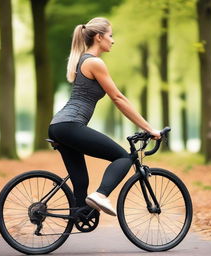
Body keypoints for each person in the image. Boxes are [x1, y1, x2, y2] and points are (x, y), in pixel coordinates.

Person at [48, 17, 161, 217]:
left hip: (60, 125)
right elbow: (118, 98)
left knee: (81, 183)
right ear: (99, 37)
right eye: (110, 35)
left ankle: (79, 215)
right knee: (122, 157)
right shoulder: (94, 62)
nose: (113, 40)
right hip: (69, 125)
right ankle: (101, 195)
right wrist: (149, 128)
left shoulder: (83, 59)